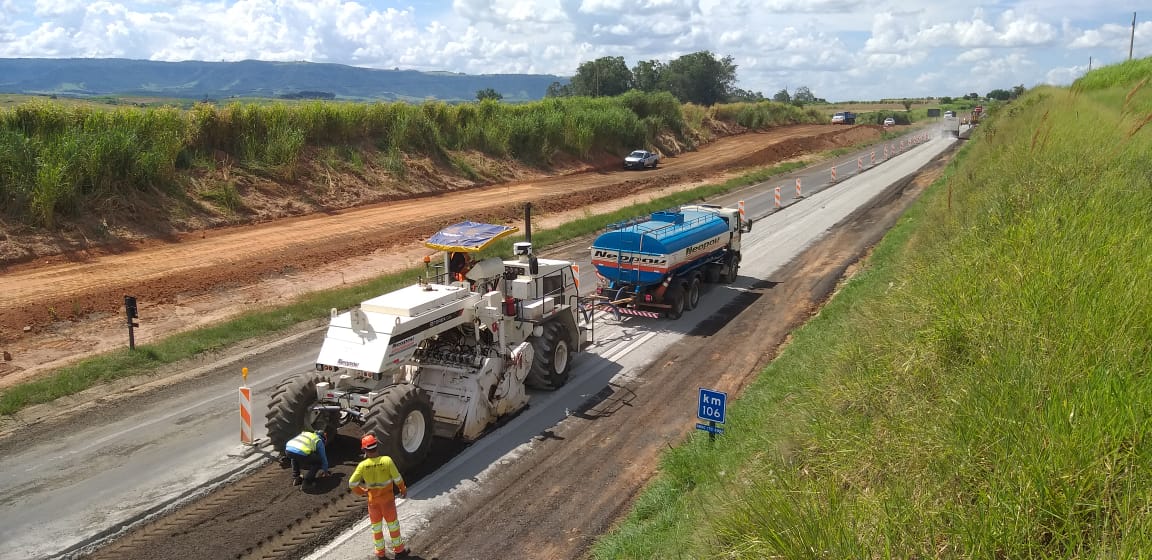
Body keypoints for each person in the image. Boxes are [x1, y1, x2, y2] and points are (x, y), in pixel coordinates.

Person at [349, 434, 409, 559]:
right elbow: (397, 478)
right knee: (393, 526)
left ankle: (380, 553)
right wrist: (402, 489)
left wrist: (362, 491)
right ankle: (399, 550)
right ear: (377, 447)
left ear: (365, 450)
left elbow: (352, 483)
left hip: (373, 503)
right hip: (387, 501)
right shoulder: (386, 461)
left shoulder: (363, 466)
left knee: (376, 529)